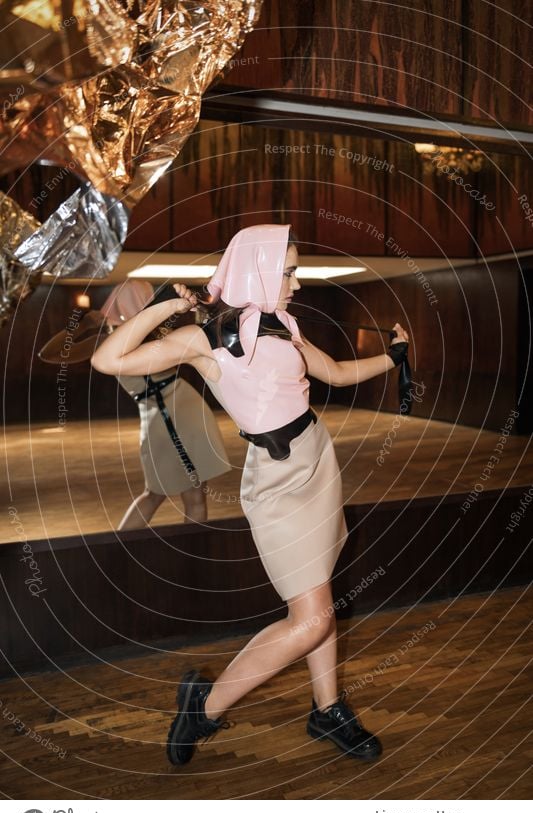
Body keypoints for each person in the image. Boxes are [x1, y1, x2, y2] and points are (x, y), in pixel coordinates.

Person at [90, 224, 410, 765]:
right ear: (258, 268)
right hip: (278, 480)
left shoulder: (284, 325)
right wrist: (162, 305)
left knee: (319, 600)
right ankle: (204, 708)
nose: (297, 284)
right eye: (288, 272)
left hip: (317, 463)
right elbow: (108, 360)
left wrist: (393, 358)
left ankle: (327, 709)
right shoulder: (205, 339)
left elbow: (332, 370)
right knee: (311, 618)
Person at [39, 280, 231, 529]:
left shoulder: (111, 340)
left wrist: (84, 324)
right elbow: (48, 355)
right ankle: (171, 555)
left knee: (170, 493)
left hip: (171, 411)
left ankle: (169, 555)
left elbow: (49, 354)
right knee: (169, 493)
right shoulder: (154, 331)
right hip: (173, 411)